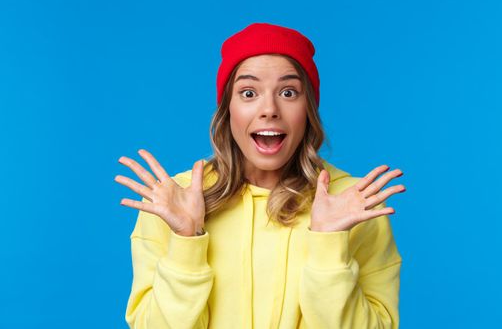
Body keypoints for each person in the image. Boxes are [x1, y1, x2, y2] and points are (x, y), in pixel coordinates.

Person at [115, 22, 406, 329]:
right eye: (249, 92)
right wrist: (186, 240)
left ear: (308, 108)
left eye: (289, 92)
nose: (269, 109)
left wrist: (329, 247)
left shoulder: (354, 204)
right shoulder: (174, 200)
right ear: (228, 109)